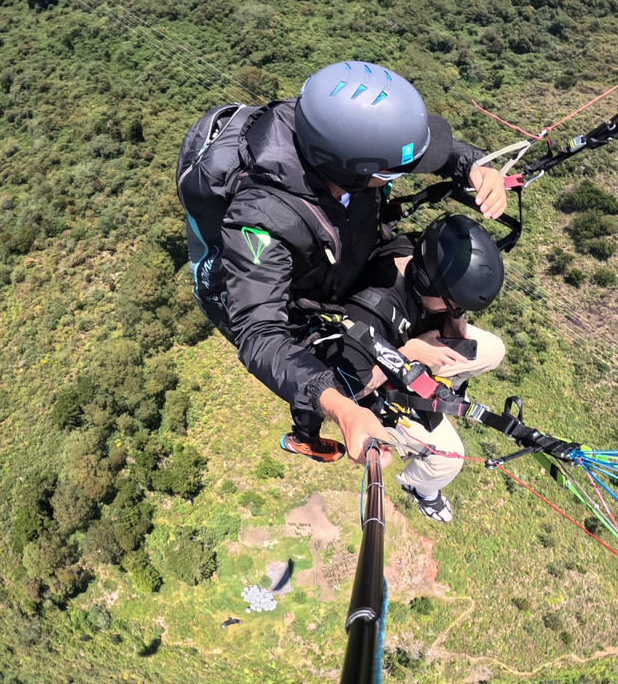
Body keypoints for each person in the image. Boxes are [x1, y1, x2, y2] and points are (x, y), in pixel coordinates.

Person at [192, 61, 507, 468]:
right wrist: (345, 410)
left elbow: (419, 150)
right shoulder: (261, 219)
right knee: (322, 365)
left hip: (339, 263)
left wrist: (474, 166)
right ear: (355, 172)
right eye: (393, 171)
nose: (407, 173)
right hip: (294, 301)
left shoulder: (330, 129)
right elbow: (260, 334)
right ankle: (306, 433)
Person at [312, 214, 506, 522]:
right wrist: (411, 354)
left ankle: (438, 383)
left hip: (413, 343)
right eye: (454, 303)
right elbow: (350, 389)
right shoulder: (370, 313)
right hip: (380, 385)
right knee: (449, 459)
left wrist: (453, 318)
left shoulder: (409, 251)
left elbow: (441, 301)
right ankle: (419, 488)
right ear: (429, 284)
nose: (458, 311)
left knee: (494, 350)